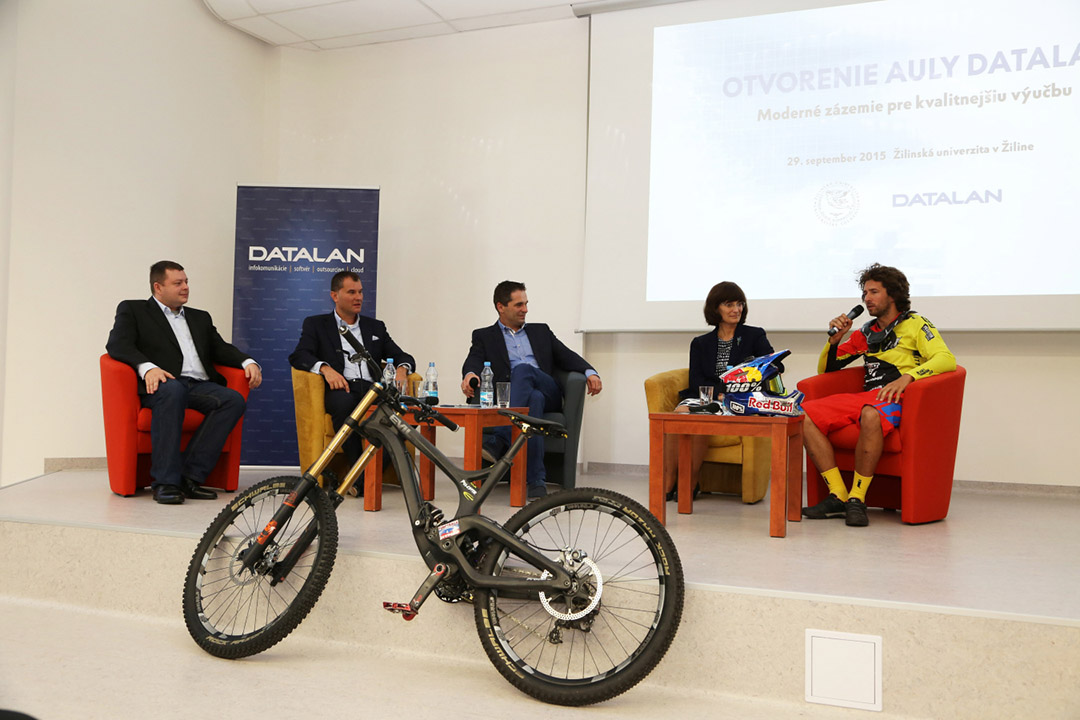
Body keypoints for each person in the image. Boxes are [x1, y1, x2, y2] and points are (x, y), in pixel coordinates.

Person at [801, 263, 956, 527]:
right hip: (865, 397)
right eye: (865, 293)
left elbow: (946, 359)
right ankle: (838, 495)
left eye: (874, 292)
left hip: (895, 399)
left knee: (870, 414)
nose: (867, 298)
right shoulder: (866, 332)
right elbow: (826, 370)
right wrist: (834, 342)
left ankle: (857, 499)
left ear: (893, 294)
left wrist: (909, 377)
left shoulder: (916, 324)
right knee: (802, 414)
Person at [106, 261, 262, 505]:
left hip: (198, 385)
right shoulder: (134, 310)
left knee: (232, 400)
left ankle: (189, 477)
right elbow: (118, 344)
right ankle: (165, 483)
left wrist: (247, 361)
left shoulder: (200, 317)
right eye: (178, 283)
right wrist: (148, 368)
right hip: (162, 384)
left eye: (186, 282)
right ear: (158, 287)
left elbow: (220, 348)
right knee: (173, 390)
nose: (185, 287)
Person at [460, 281, 602, 499]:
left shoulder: (540, 331)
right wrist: (470, 374)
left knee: (524, 370)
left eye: (526, 304)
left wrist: (590, 372)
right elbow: (474, 359)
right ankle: (536, 480)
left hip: (548, 389)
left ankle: (501, 438)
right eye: (519, 305)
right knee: (533, 400)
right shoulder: (484, 336)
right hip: (523, 396)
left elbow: (565, 355)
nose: (525, 309)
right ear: (501, 307)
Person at [289, 271, 414, 488]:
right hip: (342, 389)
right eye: (351, 292)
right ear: (335, 296)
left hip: (373, 389)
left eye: (360, 292)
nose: (358, 298)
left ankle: (361, 480)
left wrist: (402, 369)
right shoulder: (316, 324)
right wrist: (325, 369)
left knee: (404, 416)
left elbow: (402, 355)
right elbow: (299, 355)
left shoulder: (375, 327)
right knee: (344, 404)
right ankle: (363, 477)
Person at [663, 281, 778, 501]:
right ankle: (669, 480)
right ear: (716, 308)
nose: (736, 309)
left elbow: (772, 365)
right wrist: (718, 394)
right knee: (679, 416)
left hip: (739, 400)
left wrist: (752, 375)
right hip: (707, 397)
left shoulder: (754, 335)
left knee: (700, 416)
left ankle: (690, 481)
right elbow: (696, 380)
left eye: (739, 304)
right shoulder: (700, 343)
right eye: (729, 304)